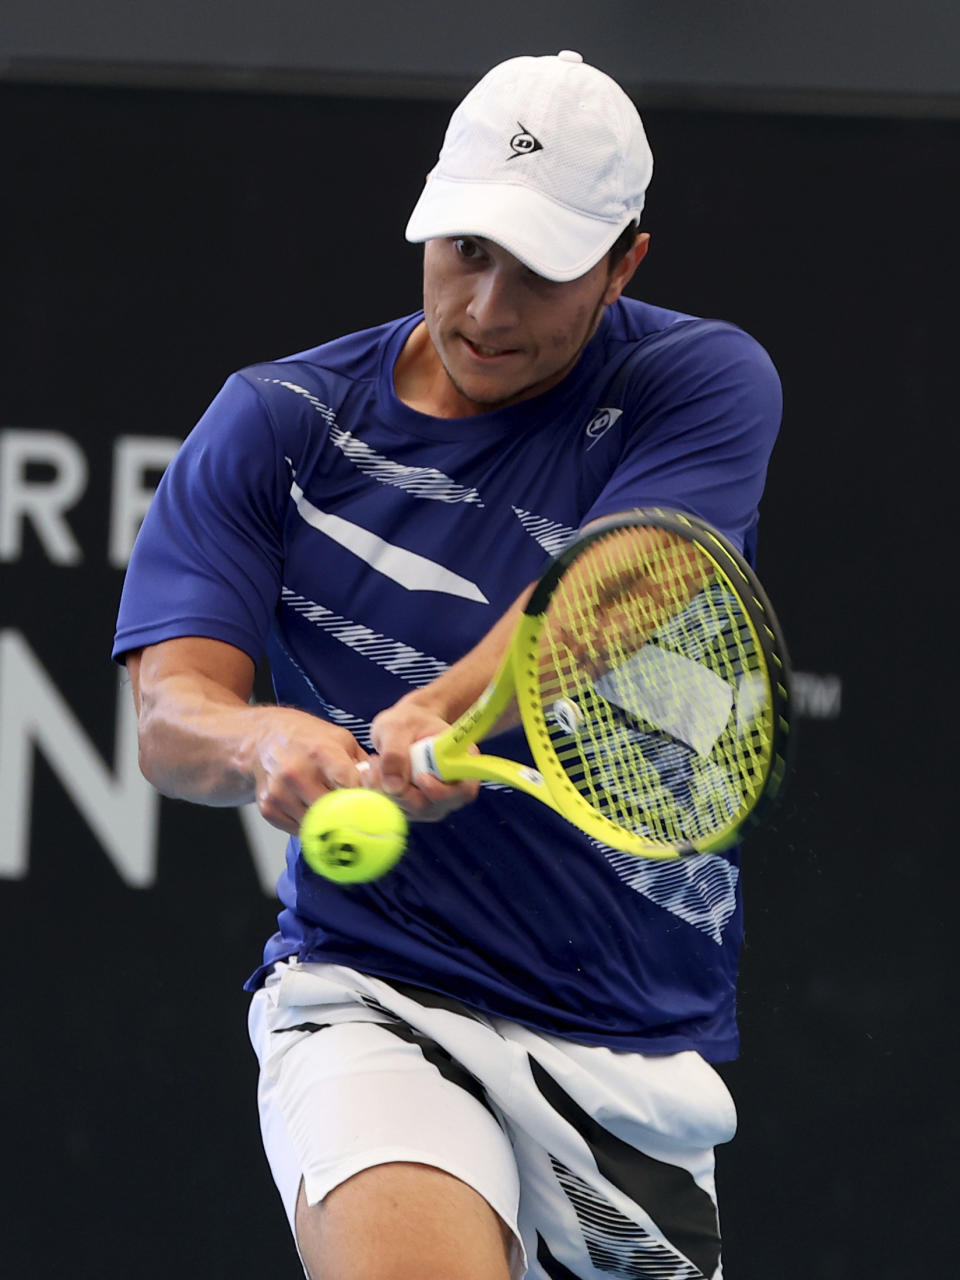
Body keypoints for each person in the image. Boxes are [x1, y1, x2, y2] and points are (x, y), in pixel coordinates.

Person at [114, 50, 782, 1280]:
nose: (486, 308)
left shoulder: (700, 385)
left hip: (629, 1042)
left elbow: (619, 588)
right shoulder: (279, 423)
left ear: (625, 262)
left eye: (540, 270)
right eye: (466, 248)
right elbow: (171, 716)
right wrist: (264, 737)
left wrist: (436, 704)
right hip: (376, 986)